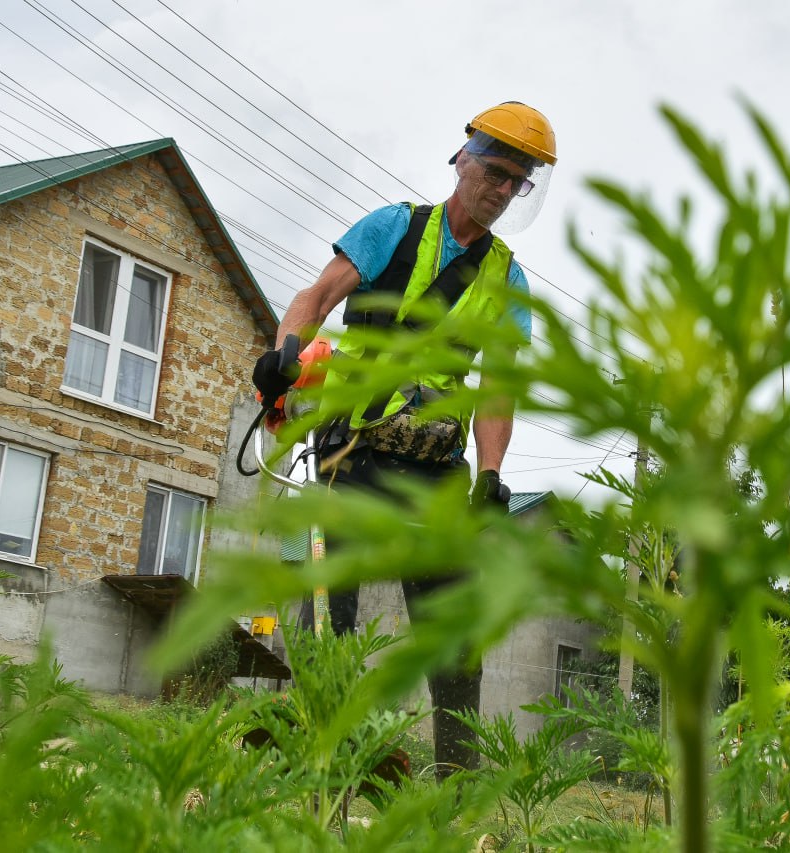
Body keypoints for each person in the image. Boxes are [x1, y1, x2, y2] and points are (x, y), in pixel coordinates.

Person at [250, 102, 557, 780]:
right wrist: (285, 353)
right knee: (329, 616)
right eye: (499, 173)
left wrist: (493, 475)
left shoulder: (507, 279)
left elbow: (498, 389)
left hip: (435, 467)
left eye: (519, 183)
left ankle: (456, 785)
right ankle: (327, 759)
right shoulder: (395, 227)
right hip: (352, 455)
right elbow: (316, 296)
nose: (504, 192)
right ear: (465, 161)